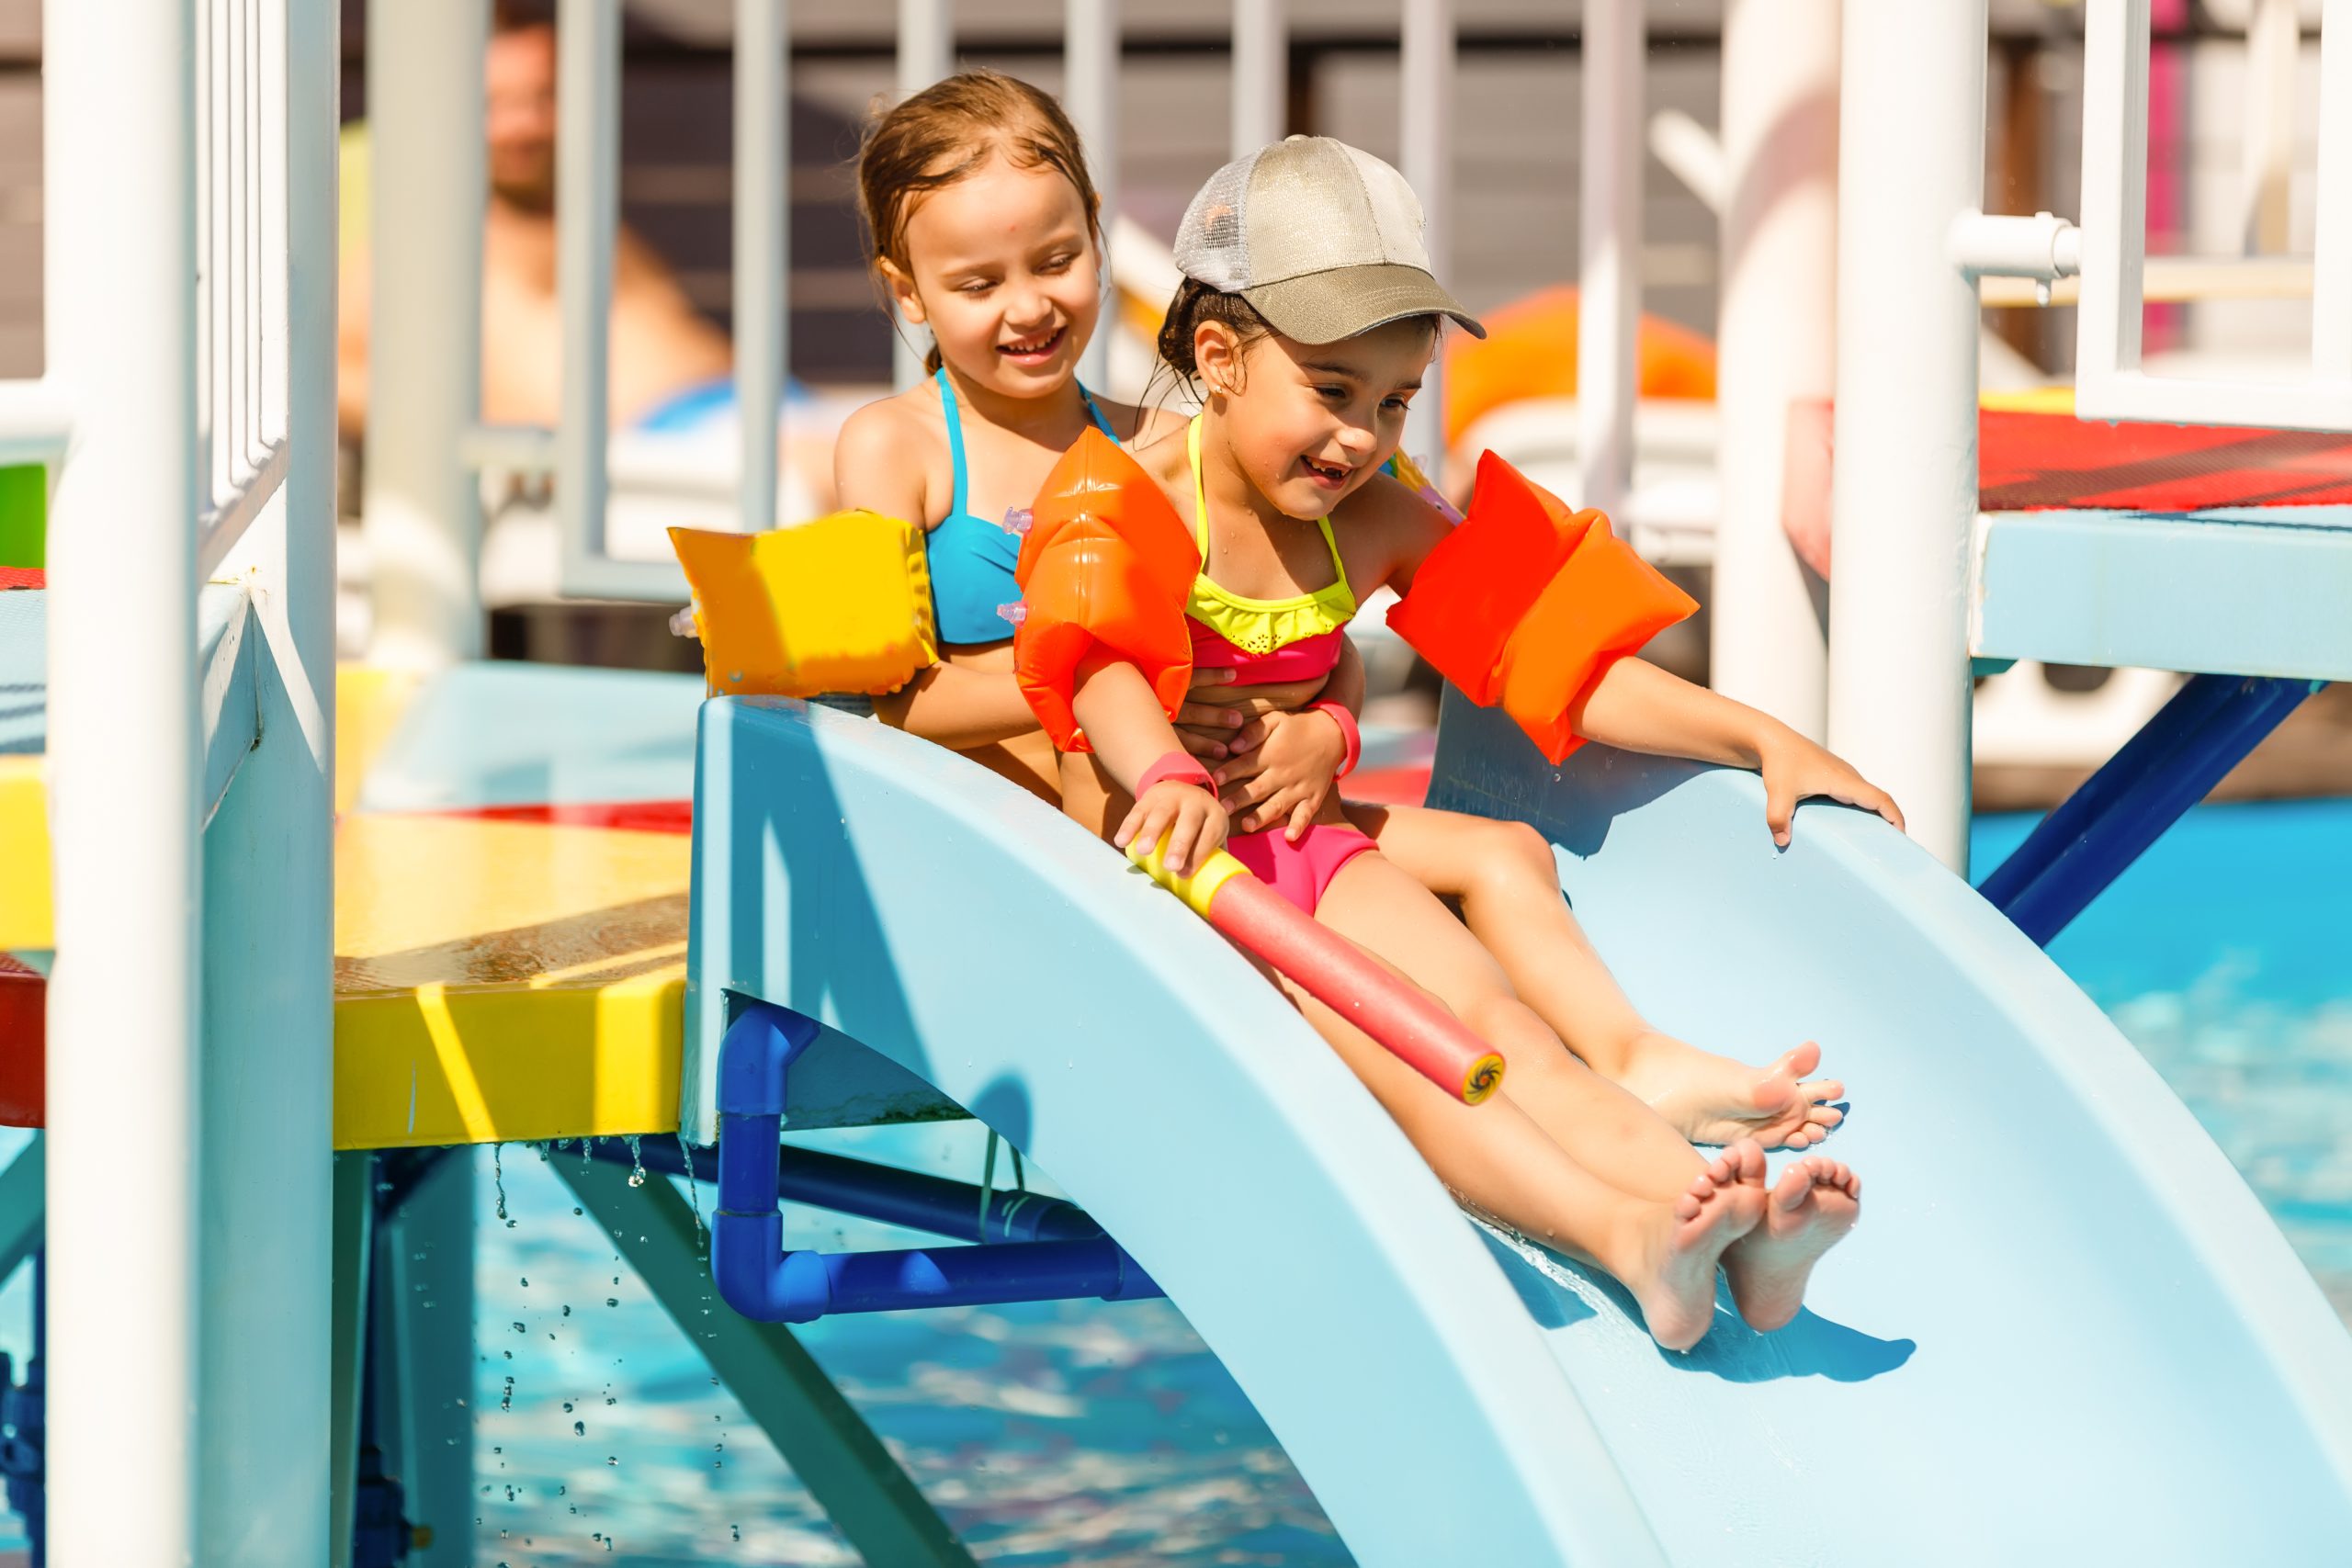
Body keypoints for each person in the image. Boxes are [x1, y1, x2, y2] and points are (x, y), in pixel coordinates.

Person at [833, 75, 1854, 1156]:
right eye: (978, 280)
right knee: (1427, 999)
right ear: (907, 292)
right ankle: (1618, 1152)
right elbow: (873, 701)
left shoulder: (1167, 447)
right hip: (1045, 835)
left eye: (1054, 260)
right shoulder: (912, 450)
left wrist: (1329, 728)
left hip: (1213, 815)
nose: (1030, 304)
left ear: (1095, 238)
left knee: (1497, 875)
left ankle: (1632, 1086)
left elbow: (1429, 647)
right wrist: (1118, 686)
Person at [1025, 138, 1886, 1349]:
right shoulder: (1114, 496)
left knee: (1510, 1029)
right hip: (1169, 878)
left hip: (1294, 845)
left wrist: (1758, 733)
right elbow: (1098, 668)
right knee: (1417, 1057)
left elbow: (1559, 655)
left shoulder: (1371, 513)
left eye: (1392, 400)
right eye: (1331, 389)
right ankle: (1629, 1235)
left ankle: (1746, 1243)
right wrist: (1167, 766)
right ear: (1216, 358)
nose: (1360, 438)